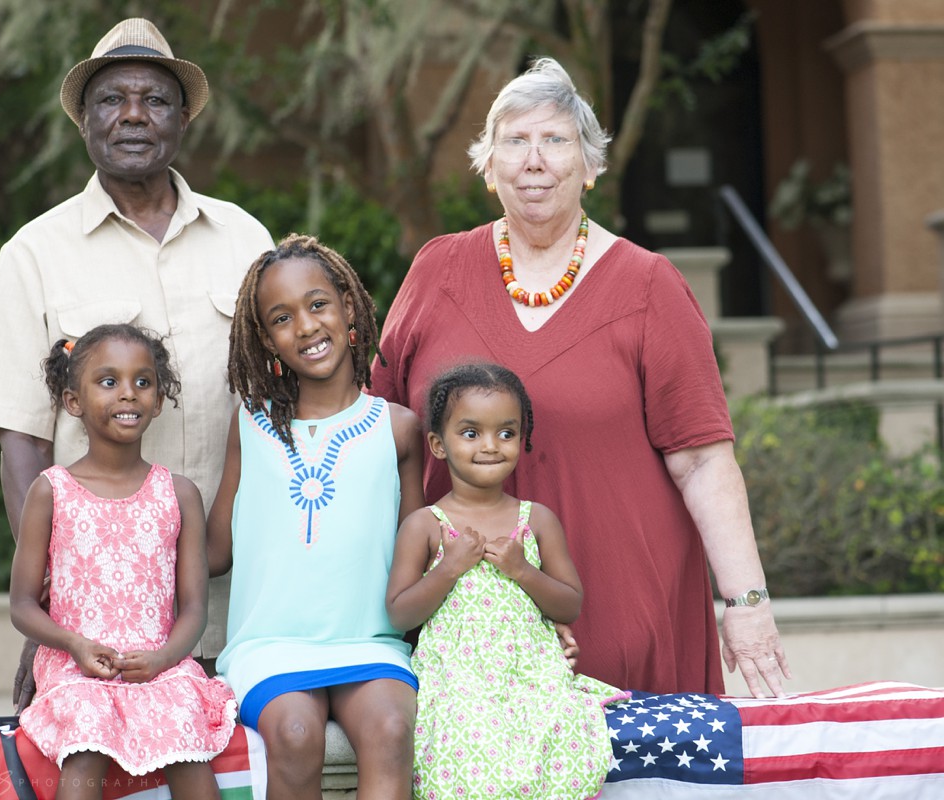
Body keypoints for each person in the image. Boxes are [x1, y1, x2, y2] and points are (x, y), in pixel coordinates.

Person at [370, 57, 790, 698]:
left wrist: (748, 603)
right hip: (464, 632)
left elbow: (704, 461)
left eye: (555, 140)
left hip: (623, 612)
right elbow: (381, 430)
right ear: (489, 167)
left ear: (590, 167)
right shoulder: (437, 272)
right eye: (514, 140)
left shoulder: (650, 287)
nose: (533, 160)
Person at [0, 17, 273, 707]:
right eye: (110, 100)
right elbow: (22, 441)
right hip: (100, 620)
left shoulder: (245, 239)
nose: (132, 114)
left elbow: (286, 411)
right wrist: (50, 617)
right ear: (84, 123)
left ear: (182, 119)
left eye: (154, 99)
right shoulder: (34, 254)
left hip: (242, 601)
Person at [207, 234, 425, 799]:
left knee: (392, 726)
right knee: (298, 732)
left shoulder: (397, 428)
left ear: (348, 307)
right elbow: (215, 551)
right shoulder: (250, 425)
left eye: (318, 304)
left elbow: (421, 553)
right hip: (269, 644)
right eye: (282, 317)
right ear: (266, 340)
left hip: (370, 642)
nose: (305, 326)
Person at [9, 323, 235, 799]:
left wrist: (164, 658)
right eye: (108, 382)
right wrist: (74, 643)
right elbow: (23, 605)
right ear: (74, 401)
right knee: (88, 733)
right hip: (76, 665)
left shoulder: (178, 494)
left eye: (143, 382)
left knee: (186, 739)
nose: (128, 394)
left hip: (160, 661)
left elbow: (194, 607)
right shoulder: (52, 491)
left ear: (158, 399)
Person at [387, 362, 628, 799]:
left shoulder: (536, 520)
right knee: (463, 753)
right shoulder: (425, 525)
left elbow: (569, 605)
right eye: (470, 432)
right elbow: (400, 612)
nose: (490, 445)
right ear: (438, 445)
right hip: (456, 678)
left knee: (560, 739)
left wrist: (522, 570)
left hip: (531, 674)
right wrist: (449, 568)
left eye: (506, 433)